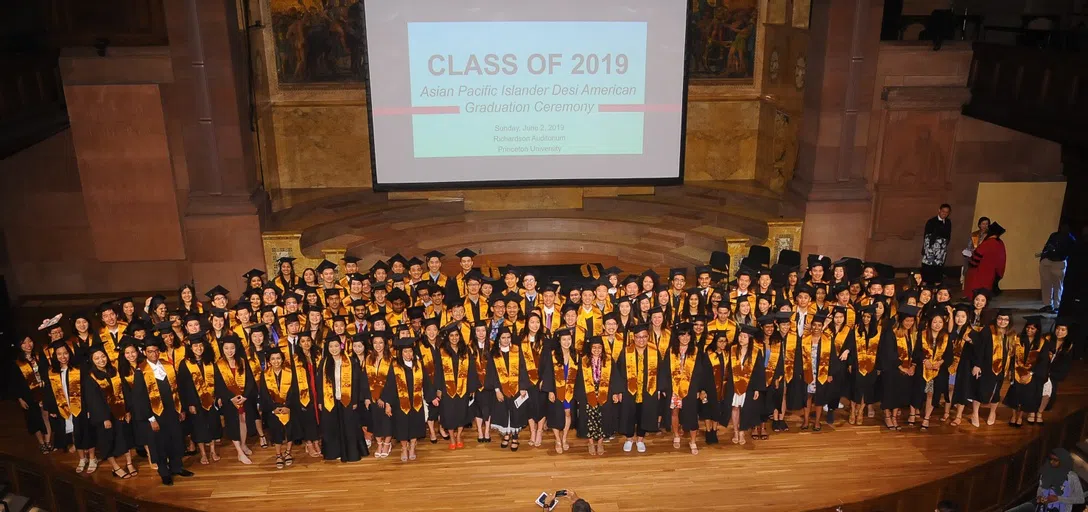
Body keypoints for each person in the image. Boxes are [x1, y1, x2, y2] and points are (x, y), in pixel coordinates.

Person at [129, 341, 193, 485]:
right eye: (150, 351)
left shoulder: (168, 366)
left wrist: (181, 408)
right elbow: (140, 398)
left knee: (176, 439)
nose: (154, 354)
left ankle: (177, 467)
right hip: (156, 414)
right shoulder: (141, 371)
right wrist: (151, 419)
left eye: (156, 351)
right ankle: (164, 472)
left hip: (172, 410)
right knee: (160, 443)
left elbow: (178, 389)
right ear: (145, 353)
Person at [1005, 448, 1085, 512]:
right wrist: (1040, 497)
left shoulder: (1072, 478)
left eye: (1055, 460)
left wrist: (1058, 499)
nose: (1051, 462)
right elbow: (1040, 490)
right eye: (1050, 459)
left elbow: (1080, 499)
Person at [1038, 223, 1076, 313]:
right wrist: (1043, 257)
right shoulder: (1054, 235)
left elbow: (1070, 253)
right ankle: (1047, 305)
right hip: (1047, 262)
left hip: (1058, 263)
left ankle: (1057, 306)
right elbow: (1046, 246)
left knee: (1058, 286)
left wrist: (1058, 255)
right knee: (1046, 284)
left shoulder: (1071, 239)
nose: (1063, 227)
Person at [964, 222, 1007, 298]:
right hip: (993, 271)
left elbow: (976, 257)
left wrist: (971, 263)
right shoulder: (1000, 243)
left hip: (981, 270)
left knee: (972, 278)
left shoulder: (988, 243)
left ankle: (971, 297)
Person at [921, 204, 952, 286]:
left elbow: (948, 236)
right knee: (927, 268)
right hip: (930, 250)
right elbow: (927, 236)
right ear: (939, 210)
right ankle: (925, 286)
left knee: (938, 269)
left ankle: (937, 286)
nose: (944, 214)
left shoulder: (948, 222)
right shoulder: (931, 221)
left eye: (946, 212)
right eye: (943, 211)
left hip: (941, 251)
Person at [961, 217, 990, 286]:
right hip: (974, 257)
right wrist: (970, 251)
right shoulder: (974, 234)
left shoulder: (990, 235)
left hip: (984, 257)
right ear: (979, 225)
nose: (985, 226)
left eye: (987, 224)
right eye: (983, 224)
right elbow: (969, 246)